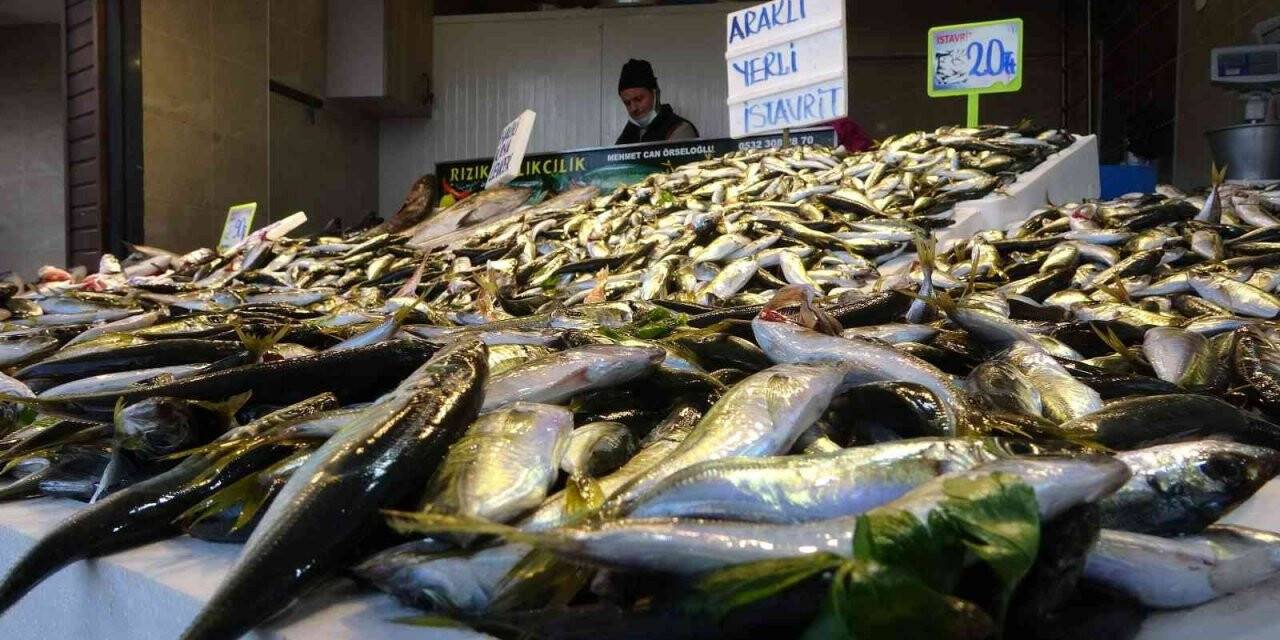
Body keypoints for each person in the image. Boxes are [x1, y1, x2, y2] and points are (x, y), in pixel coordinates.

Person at [614, 59, 699, 145]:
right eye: (627, 103)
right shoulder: (628, 133)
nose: (633, 108)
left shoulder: (679, 129)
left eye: (639, 99)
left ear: (655, 94)